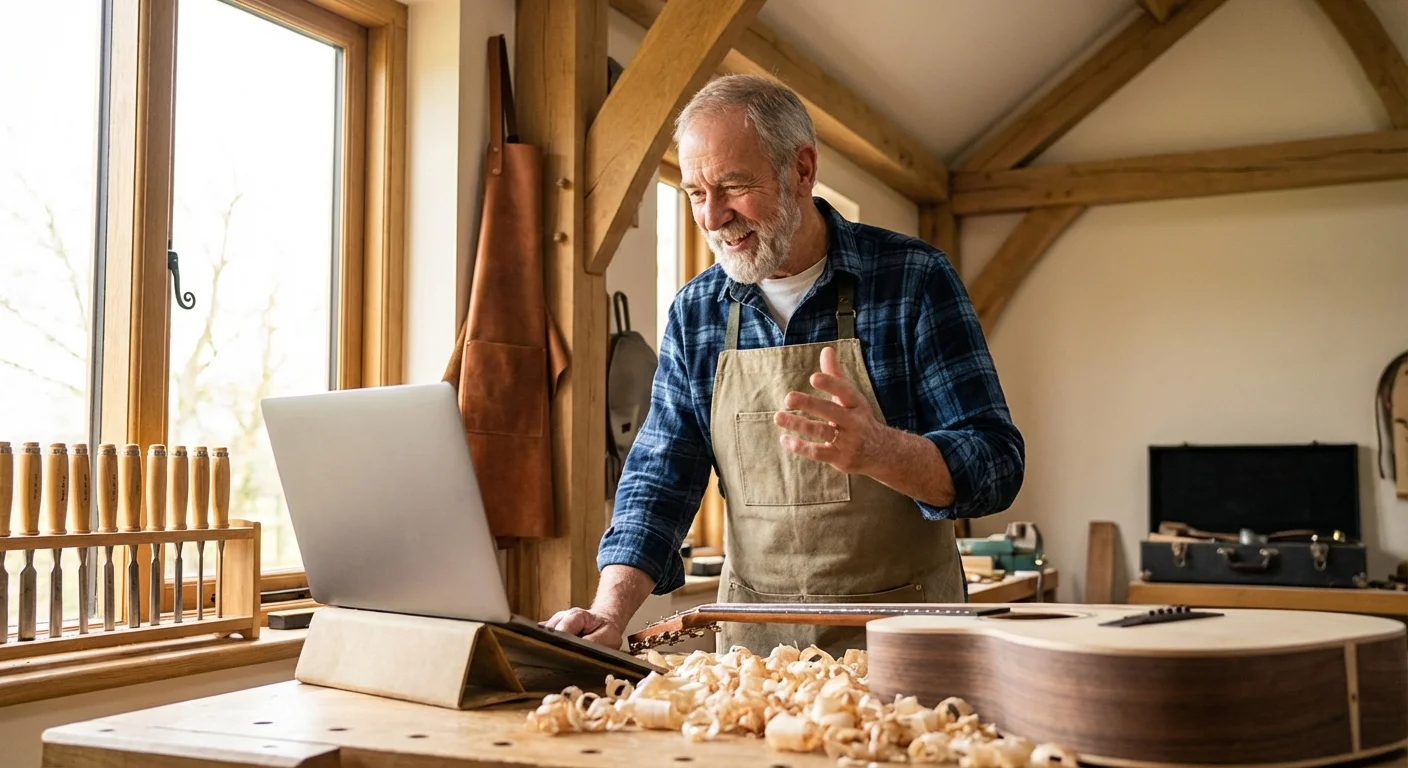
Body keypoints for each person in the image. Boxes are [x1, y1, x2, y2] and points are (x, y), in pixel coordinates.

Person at [543, 74, 1025, 657]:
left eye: (733, 185)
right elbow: (661, 474)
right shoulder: (696, 312)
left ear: (801, 169)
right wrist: (608, 612)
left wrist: (879, 453)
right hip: (756, 656)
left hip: (906, 642)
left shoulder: (913, 278)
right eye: (696, 193)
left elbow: (997, 462)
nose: (712, 217)